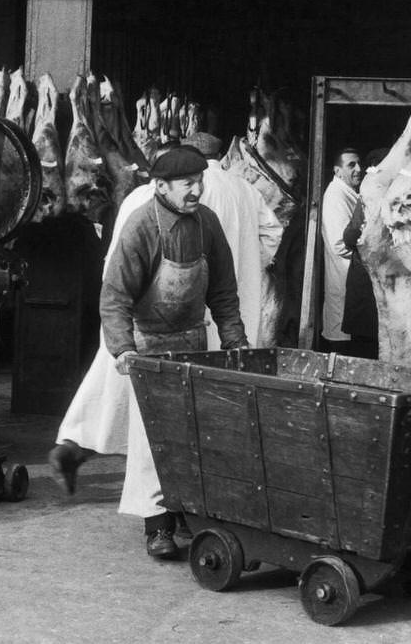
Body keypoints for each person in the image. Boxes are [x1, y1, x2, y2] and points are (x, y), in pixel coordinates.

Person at [49, 134, 277, 499]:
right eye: (189, 182)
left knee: (139, 411)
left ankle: (79, 450)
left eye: (197, 179)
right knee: (161, 426)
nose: (197, 189)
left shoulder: (191, 213)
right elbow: (271, 237)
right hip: (152, 336)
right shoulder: (243, 192)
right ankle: (156, 517)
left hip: (188, 332)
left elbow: (116, 272)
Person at [340, 147, 388, 359]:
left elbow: (350, 236)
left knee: (363, 350)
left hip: (368, 280)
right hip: (388, 279)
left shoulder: (370, 192)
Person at [320, 147, 362, 354]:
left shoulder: (347, 193)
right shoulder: (335, 195)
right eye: (351, 165)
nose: (358, 169)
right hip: (344, 275)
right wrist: (368, 254)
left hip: (351, 278)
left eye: (358, 164)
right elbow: (339, 244)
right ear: (337, 171)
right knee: (342, 341)